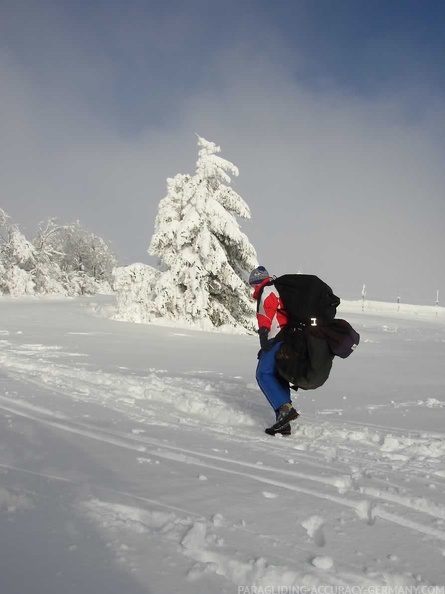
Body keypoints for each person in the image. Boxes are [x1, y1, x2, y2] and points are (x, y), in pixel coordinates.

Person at [249, 266, 299, 435]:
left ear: (257, 282)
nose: (254, 289)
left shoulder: (267, 290)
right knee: (278, 376)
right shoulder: (278, 288)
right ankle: (283, 422)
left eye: (253, 285)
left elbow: (267, 312)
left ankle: (285, 409)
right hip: (287, 338)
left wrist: (263, 334)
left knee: (263, 374)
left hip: (277, 337)